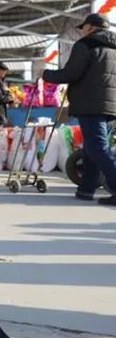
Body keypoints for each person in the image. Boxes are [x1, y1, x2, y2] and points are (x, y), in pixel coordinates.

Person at [42, 13, 116, 205]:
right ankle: (86, 189)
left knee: (98, 148)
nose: (82, 30)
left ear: (91, 26)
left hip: (91, 103)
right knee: (92, 147)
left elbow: (72, 73)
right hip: (111, 104)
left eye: (84, 26)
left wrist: (47, 74)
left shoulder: (85, 45)